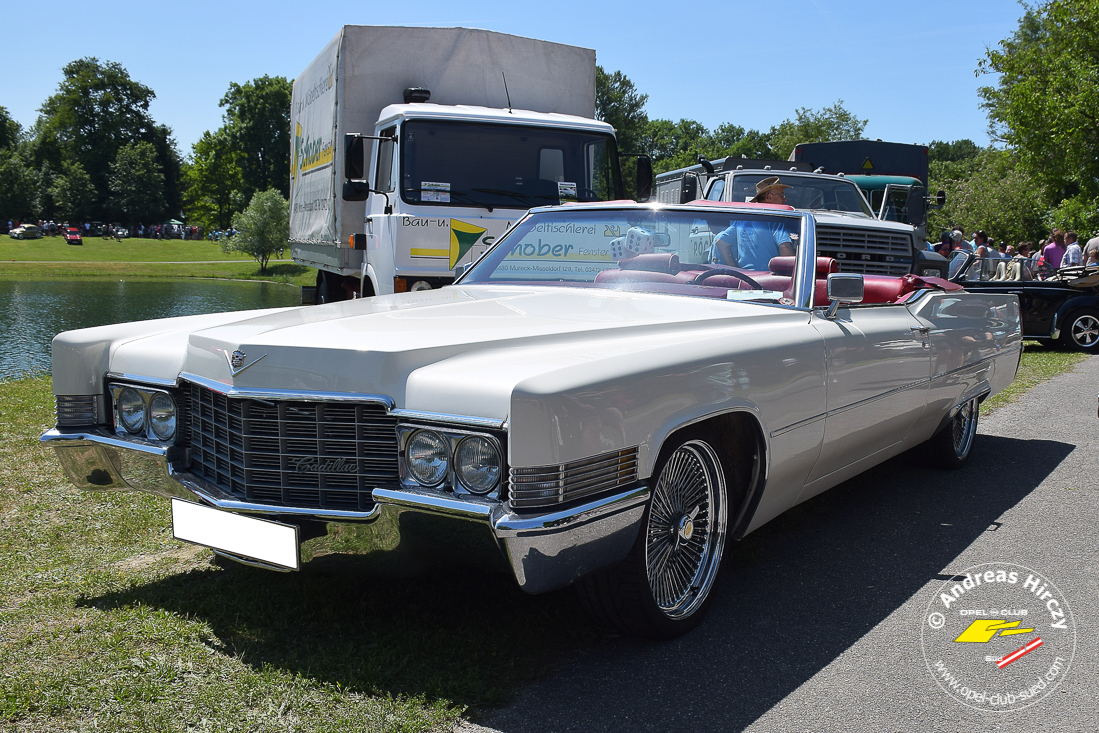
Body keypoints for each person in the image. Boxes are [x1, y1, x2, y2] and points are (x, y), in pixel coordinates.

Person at [711, 177, 794, 269]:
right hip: (769, 278)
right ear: (769, 197)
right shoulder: (776, 220)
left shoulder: (743, 219)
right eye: (781, 195)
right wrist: (786, 274)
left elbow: (721, 243)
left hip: (745, 278)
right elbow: (785, 249)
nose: (784, 199)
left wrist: (735, 269)